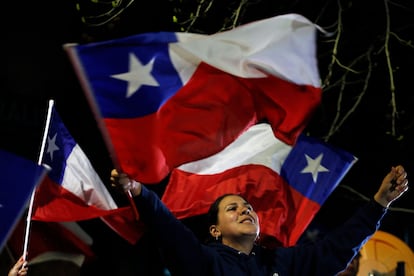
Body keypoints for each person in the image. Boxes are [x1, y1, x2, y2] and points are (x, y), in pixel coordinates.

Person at [110, 165, 409, 275]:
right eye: (233, 208)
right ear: (214, 230)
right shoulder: (204, 263)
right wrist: (138, 191)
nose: (245, 210)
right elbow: (170, 230)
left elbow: (335, 251)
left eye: (248, 207)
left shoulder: (282, 262)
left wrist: (379, 203)